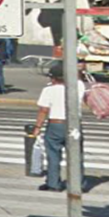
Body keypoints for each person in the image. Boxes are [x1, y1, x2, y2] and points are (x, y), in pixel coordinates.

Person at [33, 62, 69, 192]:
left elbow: (43, 110)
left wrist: (38, 126)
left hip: (56, 124)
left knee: (53, 154)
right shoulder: (76, 88)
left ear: (53, 78)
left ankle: (53, 183)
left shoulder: (49, 90)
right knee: (76, 155)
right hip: (74, 125)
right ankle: (79, 183)